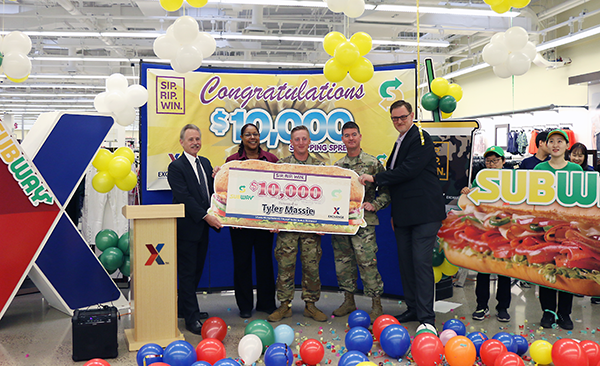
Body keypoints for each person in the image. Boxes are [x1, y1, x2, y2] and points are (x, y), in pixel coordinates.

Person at [358, 100, 446, 333]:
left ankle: (427, 317)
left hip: (425, 214)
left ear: (412, 115)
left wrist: (376, 179)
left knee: (420, 263)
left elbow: (409, 171)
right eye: (395, 118)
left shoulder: (421, 137)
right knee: (406, 264)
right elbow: (401, 185)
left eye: (403, 117)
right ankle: (413, 308)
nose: (399, 122)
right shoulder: (401, 140)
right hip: (406, 214)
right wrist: (395, 214)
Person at [331, 122, 391, 321]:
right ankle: (349, 300)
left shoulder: (372, 163)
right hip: (342, 222)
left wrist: (375, 204)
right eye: (346, 135)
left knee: (367, 263)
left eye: (354, 135)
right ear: (342, 139)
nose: (350, 138)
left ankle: (376, 304)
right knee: (343, 262)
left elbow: (387, 189)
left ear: (360, 136)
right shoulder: (338, 167)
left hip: (364, 223)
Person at [267, 125, 327, 322]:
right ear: (291, 143)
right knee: (285, 266)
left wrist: (325, 224)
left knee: (312, 267)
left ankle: (311, 305)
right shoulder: (282, 166)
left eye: (304, 139)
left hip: (310, 228)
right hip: (287, 228)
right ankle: (284, 305)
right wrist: (274, 220)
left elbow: (326, 198)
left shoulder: (320, 167)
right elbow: (273, 195)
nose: (301, 143)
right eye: (297, 139)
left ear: (310, 141)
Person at [168, 124, 223, 335]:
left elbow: (210, 192)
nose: (195, 142)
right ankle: (191, 318)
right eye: (190, 139)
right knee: (188, 273)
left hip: (203, 230)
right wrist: (206, 216)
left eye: (197, 139)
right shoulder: (176, 167)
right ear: (182, 142)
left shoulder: (206, 162)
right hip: (188, 229)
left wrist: (216, 175)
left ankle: (184, 309)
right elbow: (185, 198)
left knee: (197, 270)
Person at [225, 124, 278, 318]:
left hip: (265, 222)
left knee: (265, 263)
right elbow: (225, 191)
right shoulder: (232, 161)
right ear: (241, 137)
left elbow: (279, 192)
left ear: (259, 136)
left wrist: (276, 220)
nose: (252, 137)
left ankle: (266, 303)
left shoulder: (271, 160)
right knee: (242, 264)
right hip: (240, 224)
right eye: (248, 134)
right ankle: (245, 306)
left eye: (255, 134)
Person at [535, 129, 583, 330]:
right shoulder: (539, 169)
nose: (555, 145)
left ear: (566, 146)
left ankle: (564, 313)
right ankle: (548, 312)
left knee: (566, 271)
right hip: (544, 229)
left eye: (560, 141)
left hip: (569, 231)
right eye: (551, 141)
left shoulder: (575, 170)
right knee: (546, 271)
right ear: (546, 145)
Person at [461, 146, 512, 322]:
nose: (491, 164)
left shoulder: (513, 180)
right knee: (483, 270)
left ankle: (503, 308)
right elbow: (472, 201)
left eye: (495, 160)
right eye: (488, 161)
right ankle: (481, 306)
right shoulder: (480, 180)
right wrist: (467, 193)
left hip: (505, 232)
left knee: (504, 271)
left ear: (503, 162)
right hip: (484, 231)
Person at [566, 142, 600, 305]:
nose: (577, 158)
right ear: (569, 154)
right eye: (574, 154)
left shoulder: (591, 173)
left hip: (587, 220)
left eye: (580, 155)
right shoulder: (563, 171)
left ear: (585, 157)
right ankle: (577, 286)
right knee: (575, 253)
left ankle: (592, 289)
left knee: (590, 253)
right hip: (568, 219)